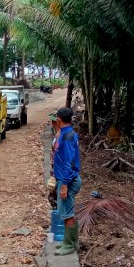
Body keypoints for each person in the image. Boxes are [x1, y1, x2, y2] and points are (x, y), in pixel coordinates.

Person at [53, 107, 82, 256]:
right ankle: (72, 242)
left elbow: (69, 163)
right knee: (66, 211)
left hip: (68, 180)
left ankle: (68, 245)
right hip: (65, 178)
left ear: (59, 118)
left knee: (67, 213)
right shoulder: (65, 134)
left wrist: (64, 184)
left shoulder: (68, 136)